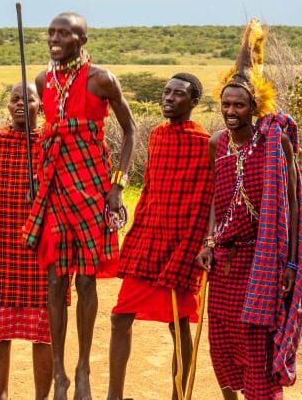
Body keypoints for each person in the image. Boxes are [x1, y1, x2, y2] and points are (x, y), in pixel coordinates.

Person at [21, 12, 136, 400]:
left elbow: (131, 130)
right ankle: (59, 372)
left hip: (90, 183)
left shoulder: (101, 79)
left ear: (81, 39)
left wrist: (117, 186)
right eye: (51, 32)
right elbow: (43, 133)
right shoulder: (42, 80)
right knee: (55, 280)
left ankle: (83, 368)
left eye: (64, 33)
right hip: (54, 184)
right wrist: (35, 180)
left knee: (86, 279)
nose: (55, 38)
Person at [196, 19, 302, 400]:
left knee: (255, 351)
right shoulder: (216, 144)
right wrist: (209, 242)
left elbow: (293, 204)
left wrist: (291, 264)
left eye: (239, 104)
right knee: (223, 347)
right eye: (226, 103)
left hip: (262, 262)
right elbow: (217, 199)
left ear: (254, 107)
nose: (231, 110)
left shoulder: (274, 142)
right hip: (226, 265)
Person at [106, 73, 213, 400]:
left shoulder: (206, 143)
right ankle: (114, 395)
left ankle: (178, 396)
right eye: (166, 92)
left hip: (183, 244)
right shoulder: (157, 136)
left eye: (178, 94)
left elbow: (207, 197)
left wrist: (200, 245)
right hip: (149, 238)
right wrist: (136, 232)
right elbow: (151, 189)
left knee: (178, 325)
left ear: (193, 102)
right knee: (120, 317)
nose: (168, 98)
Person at [0, 82, 52, 400]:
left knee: (44, 333)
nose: (21, 104)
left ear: (40, 106)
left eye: (28, 99)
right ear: (8, 107)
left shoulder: (50, 142)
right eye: (15, 99)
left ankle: (42, 397)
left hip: (40, 252)